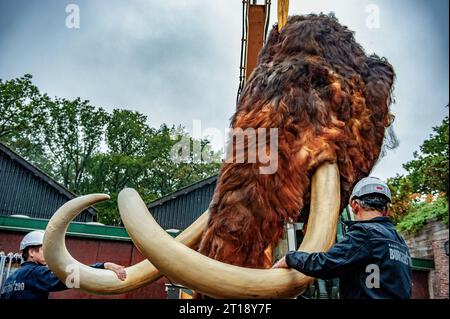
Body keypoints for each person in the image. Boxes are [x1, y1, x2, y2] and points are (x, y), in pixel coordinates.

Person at [272, 177, 412, 299]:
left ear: (354, 205)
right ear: (387, 210)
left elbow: (326, 264)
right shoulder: (400, 242)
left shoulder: (365, 233)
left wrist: (290, 258)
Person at [1, 230, 127, 299]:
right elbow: (72, 276)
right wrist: (104, 265)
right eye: (45, 249)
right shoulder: (35, 273)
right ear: (31, 252)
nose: (49, 253)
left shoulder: (10, 278)